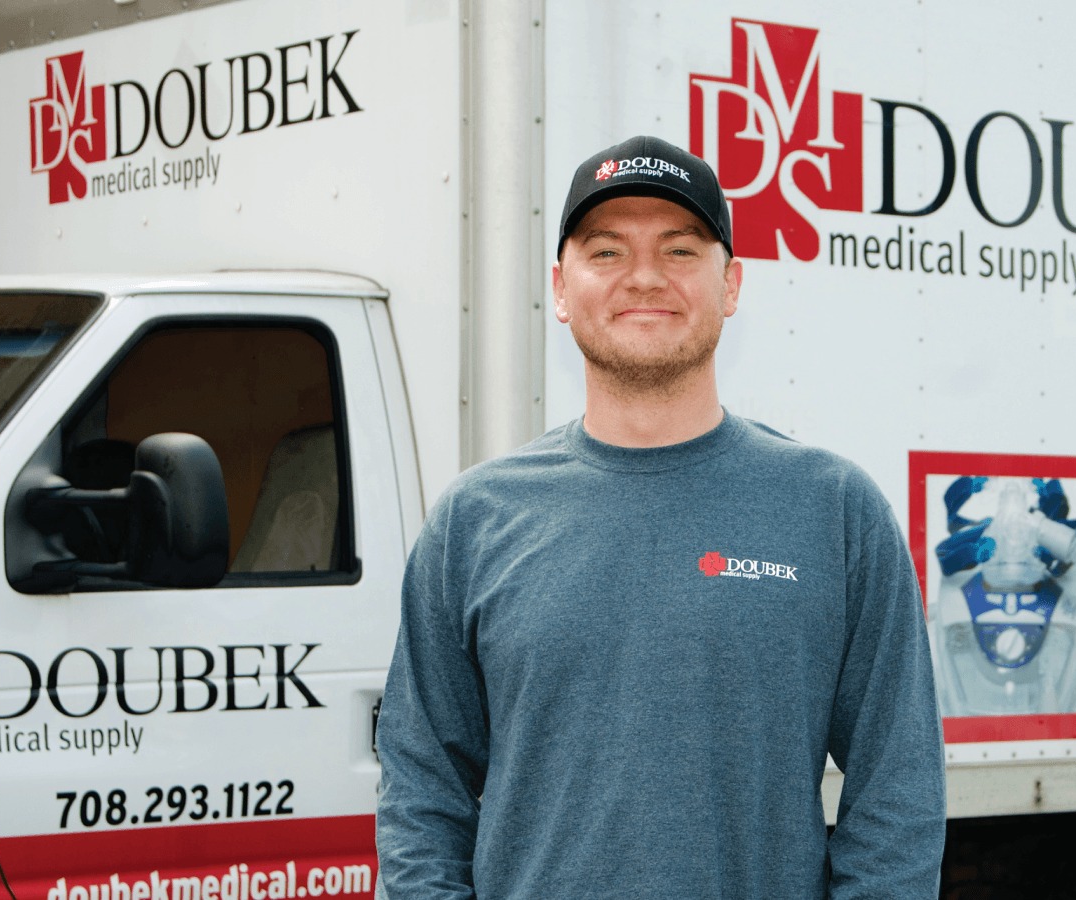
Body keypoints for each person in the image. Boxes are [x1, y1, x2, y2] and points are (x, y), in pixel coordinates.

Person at [375, 135, 946, 899]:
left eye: (680, 250)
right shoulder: (473, 523)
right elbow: (420, 790)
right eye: (606, 252)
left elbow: (898, 792)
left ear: (731, 283)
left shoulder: (835, 511)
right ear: (560, 287)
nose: (644, 277)